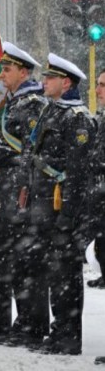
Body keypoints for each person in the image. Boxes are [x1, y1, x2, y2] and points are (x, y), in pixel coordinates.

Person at [0, 42, 49, 346]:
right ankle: (0, 320)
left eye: (7, 69)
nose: (1, 74)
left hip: (20, 190)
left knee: (25, 263)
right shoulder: (13, 102)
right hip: (4, 189)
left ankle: (31, 325)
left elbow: (26, 153)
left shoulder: (31, 104)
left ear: (24, 71)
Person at [28, 54, 95, 355]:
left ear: (65, 82)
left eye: (50, 78)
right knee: (55, 274)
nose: (44, 81)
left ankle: (68, 336)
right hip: (46, 205)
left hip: (63, 208)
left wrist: (68, 216)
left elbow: (78, 172)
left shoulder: (77, 118)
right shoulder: (52, 112)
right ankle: (59, 332)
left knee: (66, 275)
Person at [88, 68, 105, 290]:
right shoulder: (101, 117)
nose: (98, 90)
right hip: (100, 190)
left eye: (102, 85)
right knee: (101, 240)